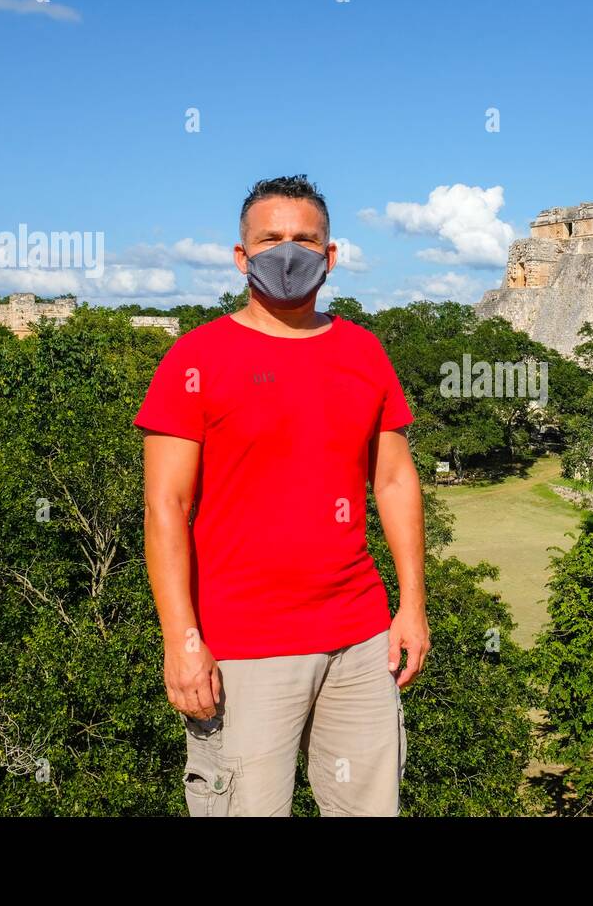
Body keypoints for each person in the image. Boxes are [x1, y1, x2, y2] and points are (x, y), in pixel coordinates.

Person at [134, 175, 429, 816]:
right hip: (243, 645)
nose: (287, 251)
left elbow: (395, 480)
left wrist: (412, 605)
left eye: (304, 239)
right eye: (270, 239)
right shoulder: (197, 358)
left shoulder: (364, 352)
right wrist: (182, 640)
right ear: (242, 257)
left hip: (358, 636)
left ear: (330, 255)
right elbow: (166, 508)